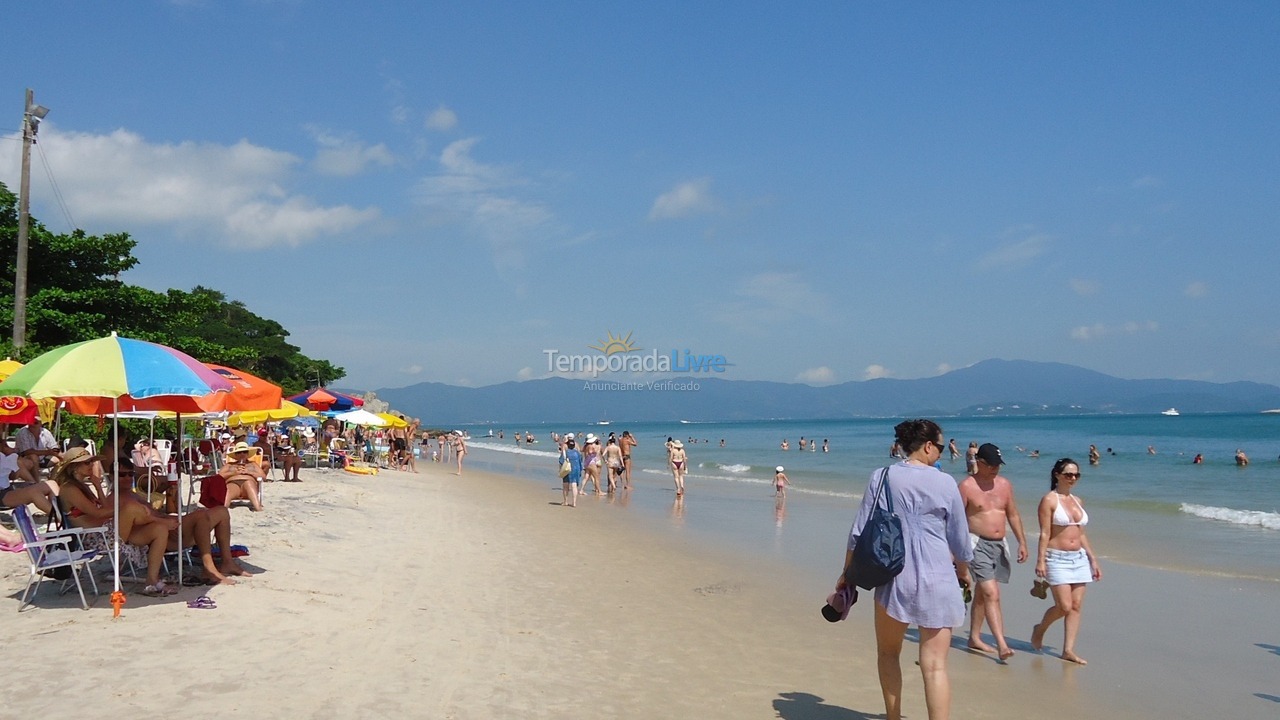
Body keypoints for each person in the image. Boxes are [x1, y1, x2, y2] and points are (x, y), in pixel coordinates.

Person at [837, 419, 971, 720]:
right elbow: (960, 541)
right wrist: (963, 571)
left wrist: (847, 574)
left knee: (888, 653)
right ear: (927, 446)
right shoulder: (946, 482)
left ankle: (893, 717)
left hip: (893, 577)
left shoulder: (882, 476)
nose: (940, 453)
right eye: (939, 447)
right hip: (939, 578)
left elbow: (858, 531)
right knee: (935, 666)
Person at [957, 443, 1028, 661]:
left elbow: (1013, 514)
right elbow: (956, 521)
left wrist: (1022, 542)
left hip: (999, 544)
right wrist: (955, 553)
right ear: (979, 463)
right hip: (976, 544)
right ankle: (1002, 644)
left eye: (998, 465)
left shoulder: (1005, 485)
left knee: (982, 594)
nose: (995, 469)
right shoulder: (967, 486)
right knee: (991, 593)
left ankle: (975, 638)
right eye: (991, 465)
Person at [1031, 458, 1101, 665]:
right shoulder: (1049, 500)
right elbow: (1044, 533)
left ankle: (1068, 650)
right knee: (1064, 606)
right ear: (1057, 475)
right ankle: (1040, 629)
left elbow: (1081, 533)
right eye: (1068, 474)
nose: (1072, 478)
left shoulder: (1078, 500)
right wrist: (1040, 560)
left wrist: (1093, 559)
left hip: (1078, 558)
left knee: (1076, 606)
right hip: (1056, 558)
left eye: (1076, 475)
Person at [218, 442, 265, 512]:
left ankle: (258, 508)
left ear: (247, 454)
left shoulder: (253, 464)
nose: (242, 454)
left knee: (248, 483)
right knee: (228, 489)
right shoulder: (229, 464)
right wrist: (233, 473)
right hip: (233, 485)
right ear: (236, 455)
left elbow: (263, 476)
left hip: (248, 485)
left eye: (244, 452)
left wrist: (249, 472)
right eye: (239, 452)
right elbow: (219, 476)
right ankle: (222, 510)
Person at [558, 437, 583, 507]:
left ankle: (566, 501)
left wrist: (560, 470)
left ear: (568, 445)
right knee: (574, 486)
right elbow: (580, 461)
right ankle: (574, 502)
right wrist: (580, 470)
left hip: (567, 469)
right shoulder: (578, 453)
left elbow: (561, 461)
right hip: (576, 469)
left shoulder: (565, 452)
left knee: (566, 486)